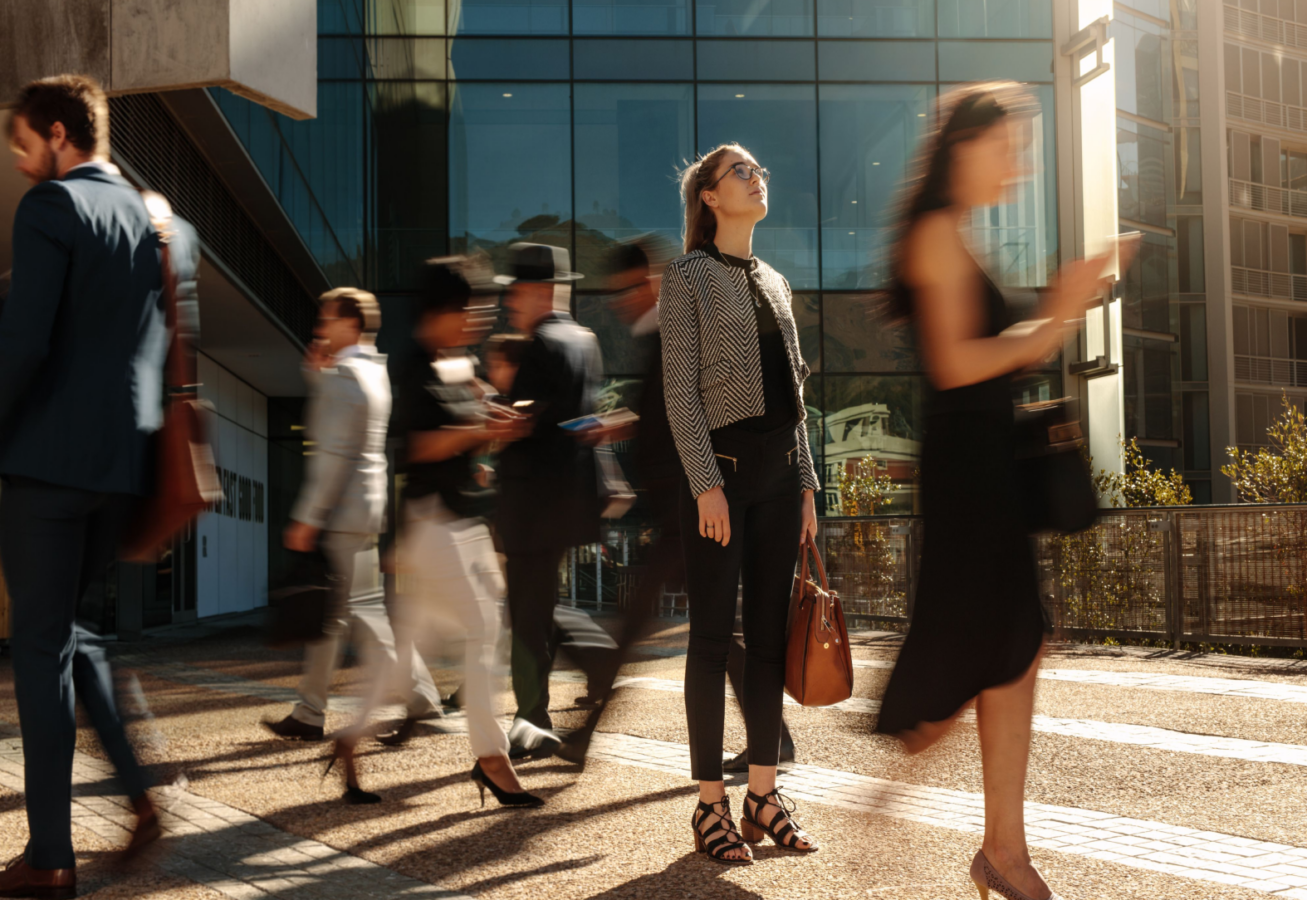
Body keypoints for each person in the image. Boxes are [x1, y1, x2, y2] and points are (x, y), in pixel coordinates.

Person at [874, 82, 1115, 900]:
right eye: (1008, 147)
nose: (1017, 166)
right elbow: (954, 362)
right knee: (970, 668)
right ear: (964, 146)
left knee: (1018, 646)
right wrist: (1054, 317)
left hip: (986, 472)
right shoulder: (936, 233)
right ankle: (904, 743)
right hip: (967, 478)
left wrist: (1055, 312)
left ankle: (1002, 851)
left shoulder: (960, 236)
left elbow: (989, 351)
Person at [0, 74, 198, 895]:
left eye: (19, 143)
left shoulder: (51, 209)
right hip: (123, 465)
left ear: (55, 132)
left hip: (46, 460)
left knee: (40, 648)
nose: (17, 162)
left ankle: (49, 858)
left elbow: (24, 348)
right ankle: (140, 793)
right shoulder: (167, 227)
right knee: (73, 633)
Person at [660, 143, 821, 863]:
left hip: (782, 478)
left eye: (760, 168)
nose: (758, 178)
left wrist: (810, 484)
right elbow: (678, 391)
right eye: (741, 172)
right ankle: (708, 806)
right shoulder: (687, 276)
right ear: (710, 198)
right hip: (722, 477)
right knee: (709, 641)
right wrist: (703, 482)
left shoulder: (776, 281)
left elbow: (797, 399)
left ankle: (762, 794)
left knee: (767, 642)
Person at [378, 255, 541, 808]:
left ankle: (350, 740)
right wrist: (478, 428)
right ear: (444, 310)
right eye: (471, 310)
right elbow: (418, 447)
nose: (477, 320)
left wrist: (490, 434)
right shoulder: (410, 364)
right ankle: (492, 758)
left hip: (462, 519)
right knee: (480, 629)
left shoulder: (454, 361)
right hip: (431, 521)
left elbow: (466, 435)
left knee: (436, 636)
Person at [265, 289, 443, 779]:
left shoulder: (345, 375)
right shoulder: (370, 368)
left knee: (350, 614)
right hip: (365, 507)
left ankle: (326, 710)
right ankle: (315, 711)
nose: (320, 327)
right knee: (350, 611)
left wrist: (308, 515)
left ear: (349, 322)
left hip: (340, 510)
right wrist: (314, 375)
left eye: (326, 318)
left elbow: (334, 452)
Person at [557, 236, 688, 766]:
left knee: (635, 627)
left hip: (687, 509)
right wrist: (607, 429)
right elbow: (657, 415)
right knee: (713, 635)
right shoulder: (656, 337)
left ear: (650, 280)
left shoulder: (669, 335)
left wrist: (610, 428)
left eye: (627, 289)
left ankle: (585, 735)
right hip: (680, 511)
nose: (620, 301)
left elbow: (675, 419)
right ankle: (777, 739)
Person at [495, 242, 619, 760]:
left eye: (516, 293)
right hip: (567, 502)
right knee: (537, 609)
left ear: (539, 291)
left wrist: (503, 420)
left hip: (531, 503)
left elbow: (527, 421)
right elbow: (576, 418)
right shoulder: (585, 340)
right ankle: (595, 668)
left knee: (525, 616)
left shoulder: (539, 345)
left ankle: (532, 719)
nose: (510, 304)